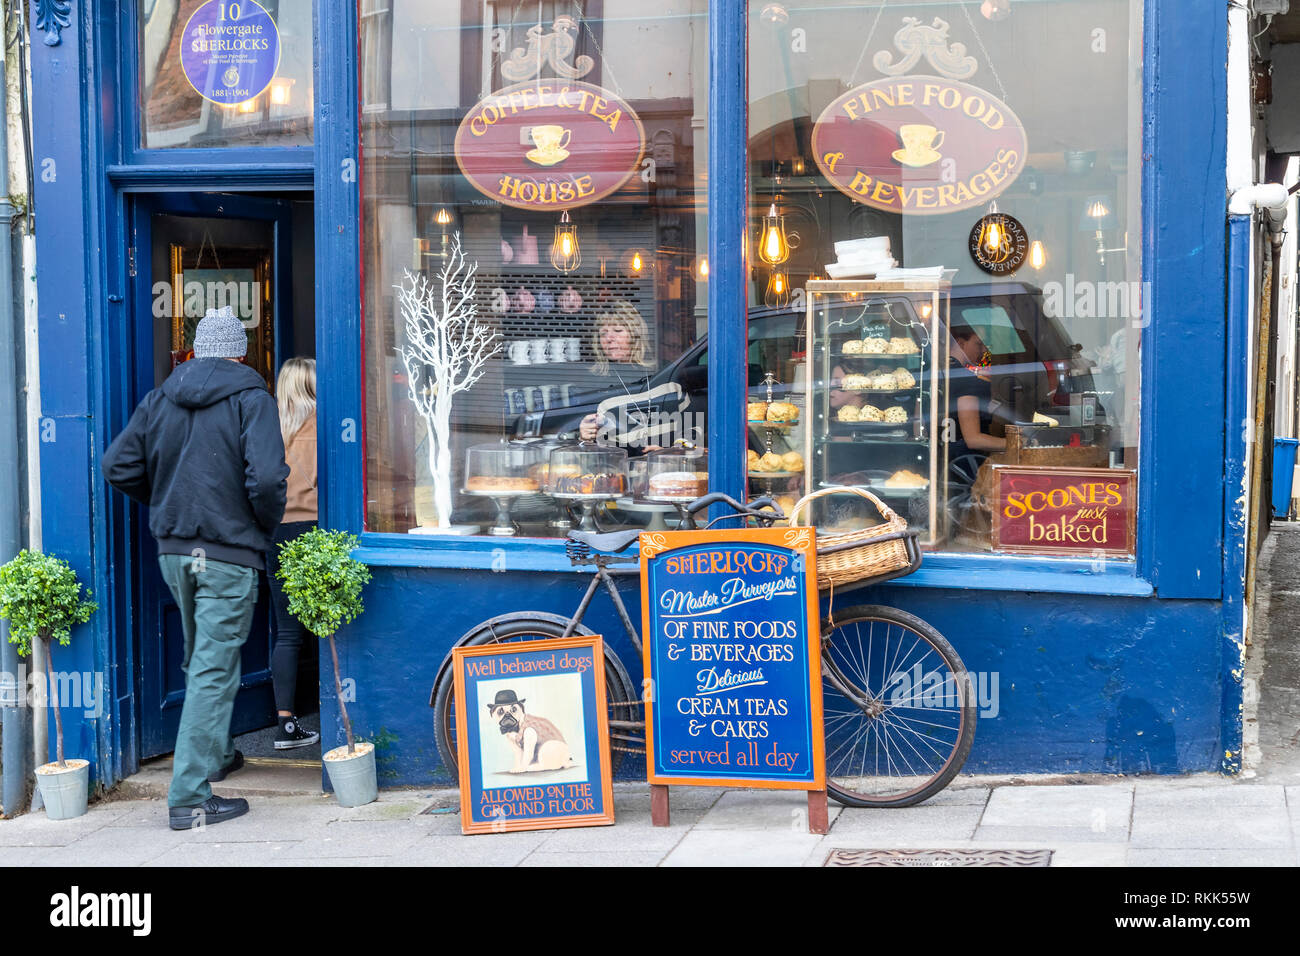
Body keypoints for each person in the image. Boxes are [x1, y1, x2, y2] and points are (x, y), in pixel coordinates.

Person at [103, 306, 289, 830]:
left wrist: (167, 506)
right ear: (241, 351)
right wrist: (260, 526)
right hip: (227, 552)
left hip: (174, 551)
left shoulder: (160, 399)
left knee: (201, 660)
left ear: (194, 352)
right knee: (212, 666)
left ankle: (213, 757)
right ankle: (188, 797)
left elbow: (118, 465)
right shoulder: (253, 398)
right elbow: (271, 479)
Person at [266, 357, 321, 751]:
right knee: (334, 624)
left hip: (277, 533)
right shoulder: (320, 427)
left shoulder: (267, 429)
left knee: (288, 633)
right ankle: (340, 717)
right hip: (313, 530)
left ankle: (285, 722)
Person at [578, 300, 685, 450]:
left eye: (617, 331)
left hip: (663, 467)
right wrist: (584, 436)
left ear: (635, 334)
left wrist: (669, 452)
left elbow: (691, 430)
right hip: (613, 467)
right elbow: (585, 445)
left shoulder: (663, 372)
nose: (609, 338)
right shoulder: (593, 381)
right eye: (603, 333)